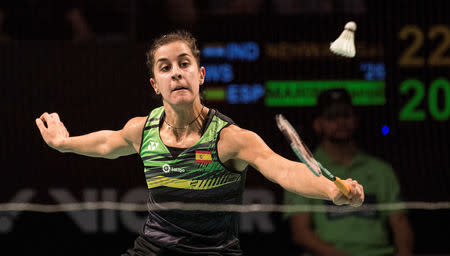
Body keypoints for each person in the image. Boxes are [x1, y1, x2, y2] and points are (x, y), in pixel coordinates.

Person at [35, 31, 364, 256]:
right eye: (165, 68)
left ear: (200, 75)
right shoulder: (143, 130)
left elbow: (284, 170)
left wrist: (332, 191)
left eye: (184, 63)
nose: (176, 73)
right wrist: (65, 143)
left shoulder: (229, 139)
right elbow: (110, 142)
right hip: (153, 249)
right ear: (155, 84)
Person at [284, 88, 413, 256]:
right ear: (318, 124)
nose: (340, 122)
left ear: (355, 120)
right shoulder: (303, 171)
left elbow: (400, 223)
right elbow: (301, 233)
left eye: (346, 115)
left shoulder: (381, 171)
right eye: (332, 116)